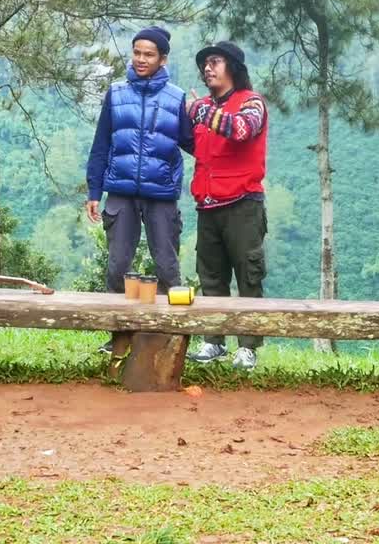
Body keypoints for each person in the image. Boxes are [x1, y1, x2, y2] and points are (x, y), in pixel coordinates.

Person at [85, 26, 195, 353]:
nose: (141, 59)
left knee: (167, 266)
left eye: (149, 54)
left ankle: (168, 338)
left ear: (163, 59)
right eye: (137, 52)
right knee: (118, 266)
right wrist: (94, 191)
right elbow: (101, 144)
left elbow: (194, 144)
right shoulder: (116, 93)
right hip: (120, 192)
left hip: (161, 194)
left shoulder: (176, 98)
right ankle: (120, 337)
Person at [184, 41, 269, 370]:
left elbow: (243, 131)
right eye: (205, 63)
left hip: (243, 205)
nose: (208, 68)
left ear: (232, 66)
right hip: (207, 205)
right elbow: (199, 149)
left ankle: (248, 347)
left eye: (215, 62)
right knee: (211, 276)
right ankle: (213, 342)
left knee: (248, 276)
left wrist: (204, 113)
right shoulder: (202, 108)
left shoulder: (251, 102)